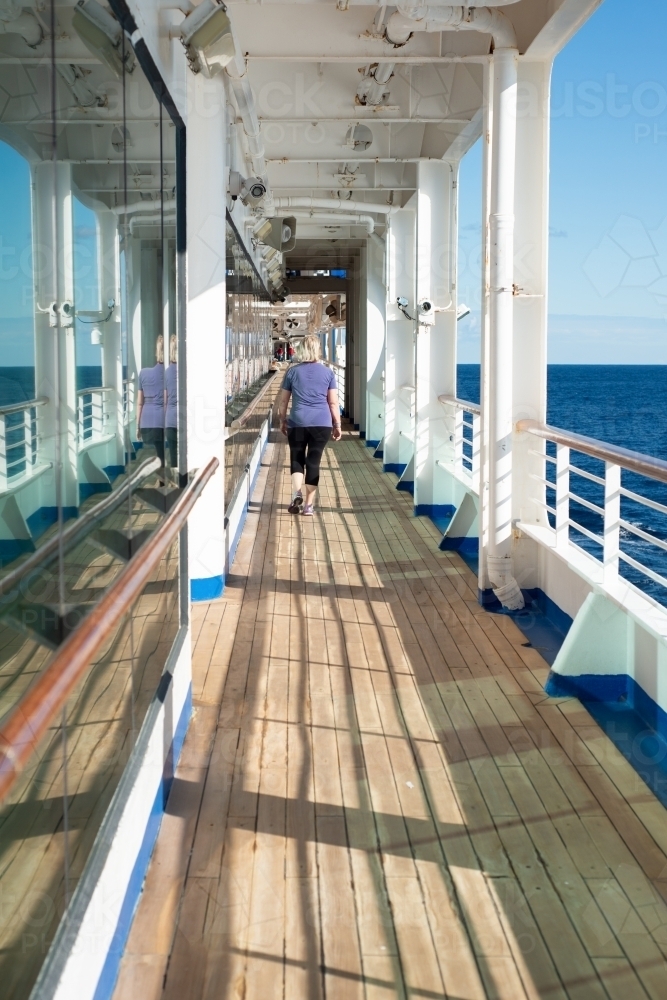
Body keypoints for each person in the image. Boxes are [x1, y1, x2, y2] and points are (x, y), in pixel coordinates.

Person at [277, 334, 342, 516]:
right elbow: (333, 403)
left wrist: (283, 420)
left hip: (297, 422)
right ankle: (308, 506)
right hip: (322, 424)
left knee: (297, 458)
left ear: (301, 350)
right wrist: (337, 424)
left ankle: (297, 493)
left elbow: (283, 401)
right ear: (318, 350)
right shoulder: (328, 373)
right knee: (313, 462)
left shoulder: (292, 372)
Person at [136, 335, 165, 478]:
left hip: (146, 423)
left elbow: (139, 403)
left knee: (158, 449)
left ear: (156, 352)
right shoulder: (170, 374)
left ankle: (159, 476)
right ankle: (162, 478)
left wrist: (137, 427)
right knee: (163, 450)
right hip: (162, 422)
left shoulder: (143, 373)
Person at [164, 334, 178, 472]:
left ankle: (176, 486)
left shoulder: (167, 373)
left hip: (170, 420)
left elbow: (165, 399)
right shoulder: (187, 371)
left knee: (173, 456)